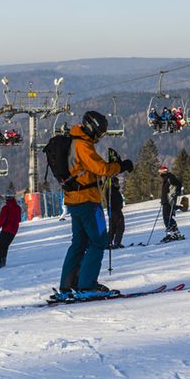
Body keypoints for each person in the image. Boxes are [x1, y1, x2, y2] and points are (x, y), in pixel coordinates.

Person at [58, 111, 134, 299]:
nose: (99, 137)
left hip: (74, 200)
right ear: (92, 128)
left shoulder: (75, 140)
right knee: (99, 241)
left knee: (79, 243)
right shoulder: (82, 145)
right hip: (87, 201)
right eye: (99, 133)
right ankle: (86, 285)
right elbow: (101, 168)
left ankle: (68, 285)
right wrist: (121, 166)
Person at [0, 192, 21, 268]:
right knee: (5, 246)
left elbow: (2, 220)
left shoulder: (5, 208)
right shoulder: (18, 208)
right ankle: (3, 262)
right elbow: (19, 219)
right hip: (14, 231)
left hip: (6, 230)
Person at [158, 165, 185, 242]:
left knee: (167, 218)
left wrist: (175, 194)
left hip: (169, 201)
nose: (159, 175)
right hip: (166, 201)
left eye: (160, 173)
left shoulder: (170, 178)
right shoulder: (167, 178)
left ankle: (172, 234)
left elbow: (178, 185)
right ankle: (174, 233)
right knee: (167, 218)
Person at [107, 176, 126, 249]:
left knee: (113, 228)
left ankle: (108, 242)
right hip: (115, 211)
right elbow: (114, 203)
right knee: (120, 227)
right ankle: (116, 242)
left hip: (113, 211)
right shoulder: (112, 191)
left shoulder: (112, 190)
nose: (118, 184)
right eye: (116, 182)